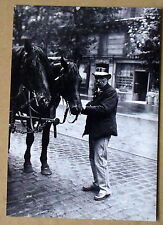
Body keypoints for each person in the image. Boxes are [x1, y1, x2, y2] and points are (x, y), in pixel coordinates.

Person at [81, 71, 118, 201]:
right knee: (92, 158)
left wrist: (85, 108)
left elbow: (103, 109)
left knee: (100, 159)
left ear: (107, 79)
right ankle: (97, 183)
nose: (98, 81)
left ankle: (105, 189)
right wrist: (87, 107)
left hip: (103, 131)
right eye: (97, 78)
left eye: (101, 78)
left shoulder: (111, 92)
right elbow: (94, 106)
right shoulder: (100, 92)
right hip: (94, 130)